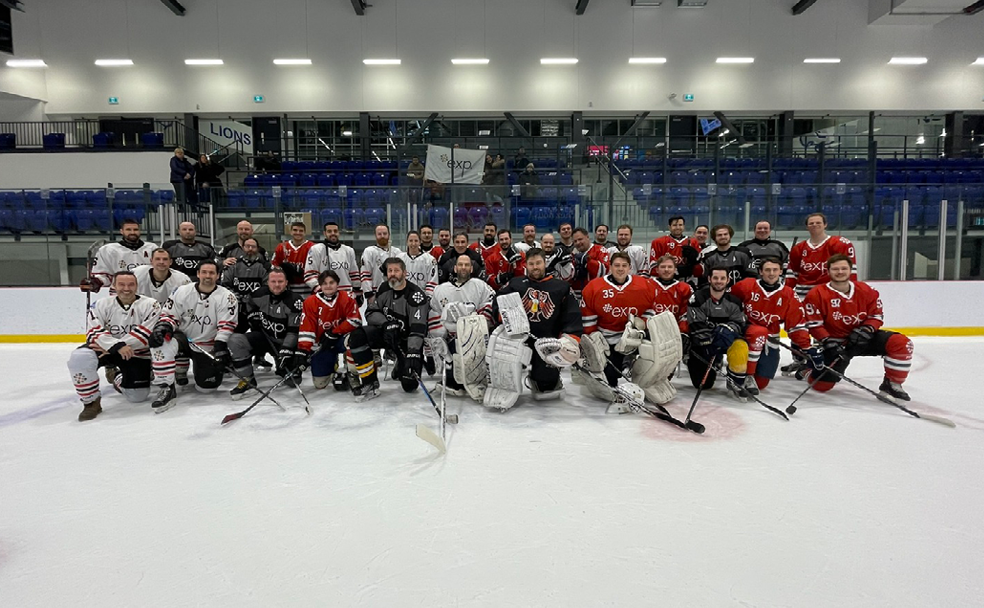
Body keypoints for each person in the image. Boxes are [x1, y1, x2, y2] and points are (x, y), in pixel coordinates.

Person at [803, 254, 913, 402]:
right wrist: (827, 341)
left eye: (844, 268)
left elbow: (876, 315)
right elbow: (813, 324)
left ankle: (892, 384)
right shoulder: (816, 294)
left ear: (851, 270)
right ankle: (808, 369)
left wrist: (867, 329)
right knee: (821, 386)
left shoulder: (866, 290)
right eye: (835, 269)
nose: (840, 272)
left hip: (863, 339)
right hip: (836, 344)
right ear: (828, 271)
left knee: (900, 343)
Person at [486, 248, 582, 410]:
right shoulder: (516, 283)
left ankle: (543, 378)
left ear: (544, 263)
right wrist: (504, 317)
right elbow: (498, 301)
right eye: (531, 264)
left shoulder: (561, 287)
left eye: (538, 263)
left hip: (546, 341)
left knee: (546, 386)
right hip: (517, 339)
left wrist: (568, 340)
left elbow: (572, 314)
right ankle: (504, 385)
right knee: (504, 361)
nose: (535, 267)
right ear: (526, 265)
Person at [147, 260, 239, 412]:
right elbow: (169, 315)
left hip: (206, 345)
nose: (207, 276)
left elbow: (226, 325)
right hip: (183, 338)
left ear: (218, 276)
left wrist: (220, 347)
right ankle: (166, 387)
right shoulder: (181, 292)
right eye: (204, 272)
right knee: (161, 341)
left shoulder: (227, 297)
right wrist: (164, 326)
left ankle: (184, 364)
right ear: (198, 274)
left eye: (211, 273)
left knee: (207, 388)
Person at [67, 271, 160, 421]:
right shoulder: (100, 304)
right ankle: (91, 402)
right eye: (121, 284)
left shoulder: (151, 305)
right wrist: (115, 347)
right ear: (114, 286)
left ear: (137, 286)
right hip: (106, 349)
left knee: (137, 396)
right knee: (80, 357)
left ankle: (117, 376)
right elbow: (93, 331)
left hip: (135, 353)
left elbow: (146, 332)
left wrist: (114, 346)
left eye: (131, 284)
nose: (126, 288)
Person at [347, 258, 430, 400]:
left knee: (410, 386)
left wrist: (413, 352)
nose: (392, 274)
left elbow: (418, 328)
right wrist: (386, 324)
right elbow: (370, 312)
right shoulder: (384, 288)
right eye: (390, 270)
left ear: (405, 273)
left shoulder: (416, 295)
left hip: (406, 342)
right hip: (387, 335)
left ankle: (401, 363)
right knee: (357, 336)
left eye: (396, 270)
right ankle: (369, 382)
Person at [730, 257, 814, 394]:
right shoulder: (745, 286)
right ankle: (739, 374)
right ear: (760, 272)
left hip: (770, 340)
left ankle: (751, 374)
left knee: (761, 384)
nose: (771, 273)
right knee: (758, 332)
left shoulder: (788, 294)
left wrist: (806, 347)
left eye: (775, 270)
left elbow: (796, 324)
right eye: (767, 270)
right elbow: (729, 304)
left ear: (781, 271)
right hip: (746, 334)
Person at [226, 269, 305, 398]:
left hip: (283, 342)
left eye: (280, 281)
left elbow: (294, 331)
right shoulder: (259, 294)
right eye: (273, 281)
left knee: (293, 380)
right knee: (235, 340)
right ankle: (248, 380)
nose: (277, 285)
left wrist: (286, 350)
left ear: (286, 283)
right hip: (264, 337)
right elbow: (249, 304)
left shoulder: (295, 301)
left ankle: (280, 363)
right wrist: (252, 315)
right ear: (267, 282)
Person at [427, 254, 496, 399]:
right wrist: (440, 333)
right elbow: (434, 312)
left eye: (466, 265)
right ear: (455, 268)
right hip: (451, 339)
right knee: (452, 363)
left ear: (471, 268)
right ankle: (453, 378)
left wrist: (473, 326)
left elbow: (490, 304)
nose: (463, 267)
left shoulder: (480, 286)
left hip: (475, 338)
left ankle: (475, 377)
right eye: (460, 265)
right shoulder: (441, 289)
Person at [686, 267, 751, 401]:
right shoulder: (697, 298)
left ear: (728, 280)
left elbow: (740, 323)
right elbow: (695, 324)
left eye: (722, 278)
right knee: (703, 384)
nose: (719, 281)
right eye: (715, 278)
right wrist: (710, 341)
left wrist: (729, 329)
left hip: (727, 340)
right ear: (709, 279)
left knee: (740, 346)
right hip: (704, 344)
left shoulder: (734, 301)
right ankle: (715, 361)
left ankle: (736, 382)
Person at [297, 270, 363, 390]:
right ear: (320, 285)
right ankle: (333, 363)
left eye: (331, 282)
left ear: (337, 283)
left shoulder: (347, 297)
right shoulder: (310, 302)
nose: (328, 286)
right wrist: (304, 350)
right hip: (322, 344)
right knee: (320, 384)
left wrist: (334, 332)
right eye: (325, 283)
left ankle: (352, 372)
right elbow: (307, 327)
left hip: (341, 339)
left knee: (356, 339)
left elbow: (356, 320)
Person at [785, 212, 856, 300]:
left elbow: (850, 272)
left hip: (831, 294)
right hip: (804, 295)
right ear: (807, 227)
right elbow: (792, 275)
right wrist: (785, 294)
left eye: (818, 223)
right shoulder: (798, 248)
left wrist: (852, 294)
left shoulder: (841, 244)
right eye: (811, 223)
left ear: (825, 225)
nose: (814, 225)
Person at [81, 218, 158, 293]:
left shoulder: (152, 248)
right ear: (121, 231)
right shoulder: (108, 250)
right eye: (128, 230)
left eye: (135, 230)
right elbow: (104, 276)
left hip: (147, 293)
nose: (132, 232)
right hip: (119, 293)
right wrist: (96, 282)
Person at [304, 221, 362, 302]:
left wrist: (358, 293)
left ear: (339, 233)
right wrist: (321, 291)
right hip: (324, 296)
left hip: (345, 296)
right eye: (329, 231)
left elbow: (354, 275)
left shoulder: (349, 250)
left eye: (335, 231)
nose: (333, 233)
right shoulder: (316, 249)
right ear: (324, 233)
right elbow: (309, 275)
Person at [221, 237, 270, 332]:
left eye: (253, 247)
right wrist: (235, 297)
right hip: (236, 308)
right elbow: (225, 285)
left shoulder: (265, 267)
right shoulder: (233, 265)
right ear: (243, 248)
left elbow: (268, 287)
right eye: (247, 246)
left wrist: (253, 298)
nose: (250, 249)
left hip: (257, 308)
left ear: (258, 249)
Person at [697, 224, 757, 288]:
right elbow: (704, 282)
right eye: (719, 235)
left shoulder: (744, 253)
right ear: (714, 238)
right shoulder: (708, 257)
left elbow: (753, 276)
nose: (723, 237)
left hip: (741, 294)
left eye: (725, 234)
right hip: (718, 295)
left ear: (730, 236)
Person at [360, 223, 402, 306]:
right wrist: (369, 294)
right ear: (375, 235)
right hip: (376, 294)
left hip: (395, 293)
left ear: (389, 235)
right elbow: (365, 273)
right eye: (379, 234)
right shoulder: (369, 251)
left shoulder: (397, 252)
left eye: (385, 233)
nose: (382, 236)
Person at [647, 216, 700, 280]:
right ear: (669, 227)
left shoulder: (693, 242)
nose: (678, 227)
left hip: (688, 280)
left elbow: (699, 269)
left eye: (680, 225)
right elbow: (652, 267)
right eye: (674, 225)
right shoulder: (658, 242)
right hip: (665, 281)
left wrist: (693, 262)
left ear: (684, 226)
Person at [651, 254, 693, 334]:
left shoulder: (685, 288)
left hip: (675, 332)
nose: (666, 270)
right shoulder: (648, 285)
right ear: (657, 270)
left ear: (675, 270)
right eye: (663, 267)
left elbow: (685, 314)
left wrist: (682, 333)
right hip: (652, 332)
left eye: (670, 267)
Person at [271, 222, 314, 296]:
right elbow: (273, 266)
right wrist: (282, 271)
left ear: (305, 233)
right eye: (295, 230)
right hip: (287, 287)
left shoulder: (313, 247)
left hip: (308, 287)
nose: (298, 233)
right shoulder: (281, 247)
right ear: (291, 232)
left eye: (301, 231)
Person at [569, 227, 610, 304]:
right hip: (576, 295)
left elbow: (604, 272)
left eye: (580, 239)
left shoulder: (600, 250)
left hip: (596, 294)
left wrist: (588, 261)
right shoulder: (572, 254)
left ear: (587, 237)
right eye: (575, 241)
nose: (578, 243)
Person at [396, 231, 438, 295]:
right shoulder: (399, 258)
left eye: (416, 241)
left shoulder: (430, 260)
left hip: (421, 296)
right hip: (403, 295)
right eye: (410, 241)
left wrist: (428, 297)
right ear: (407, 242)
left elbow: (432, 281)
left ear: (420, 242)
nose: (413, 243)